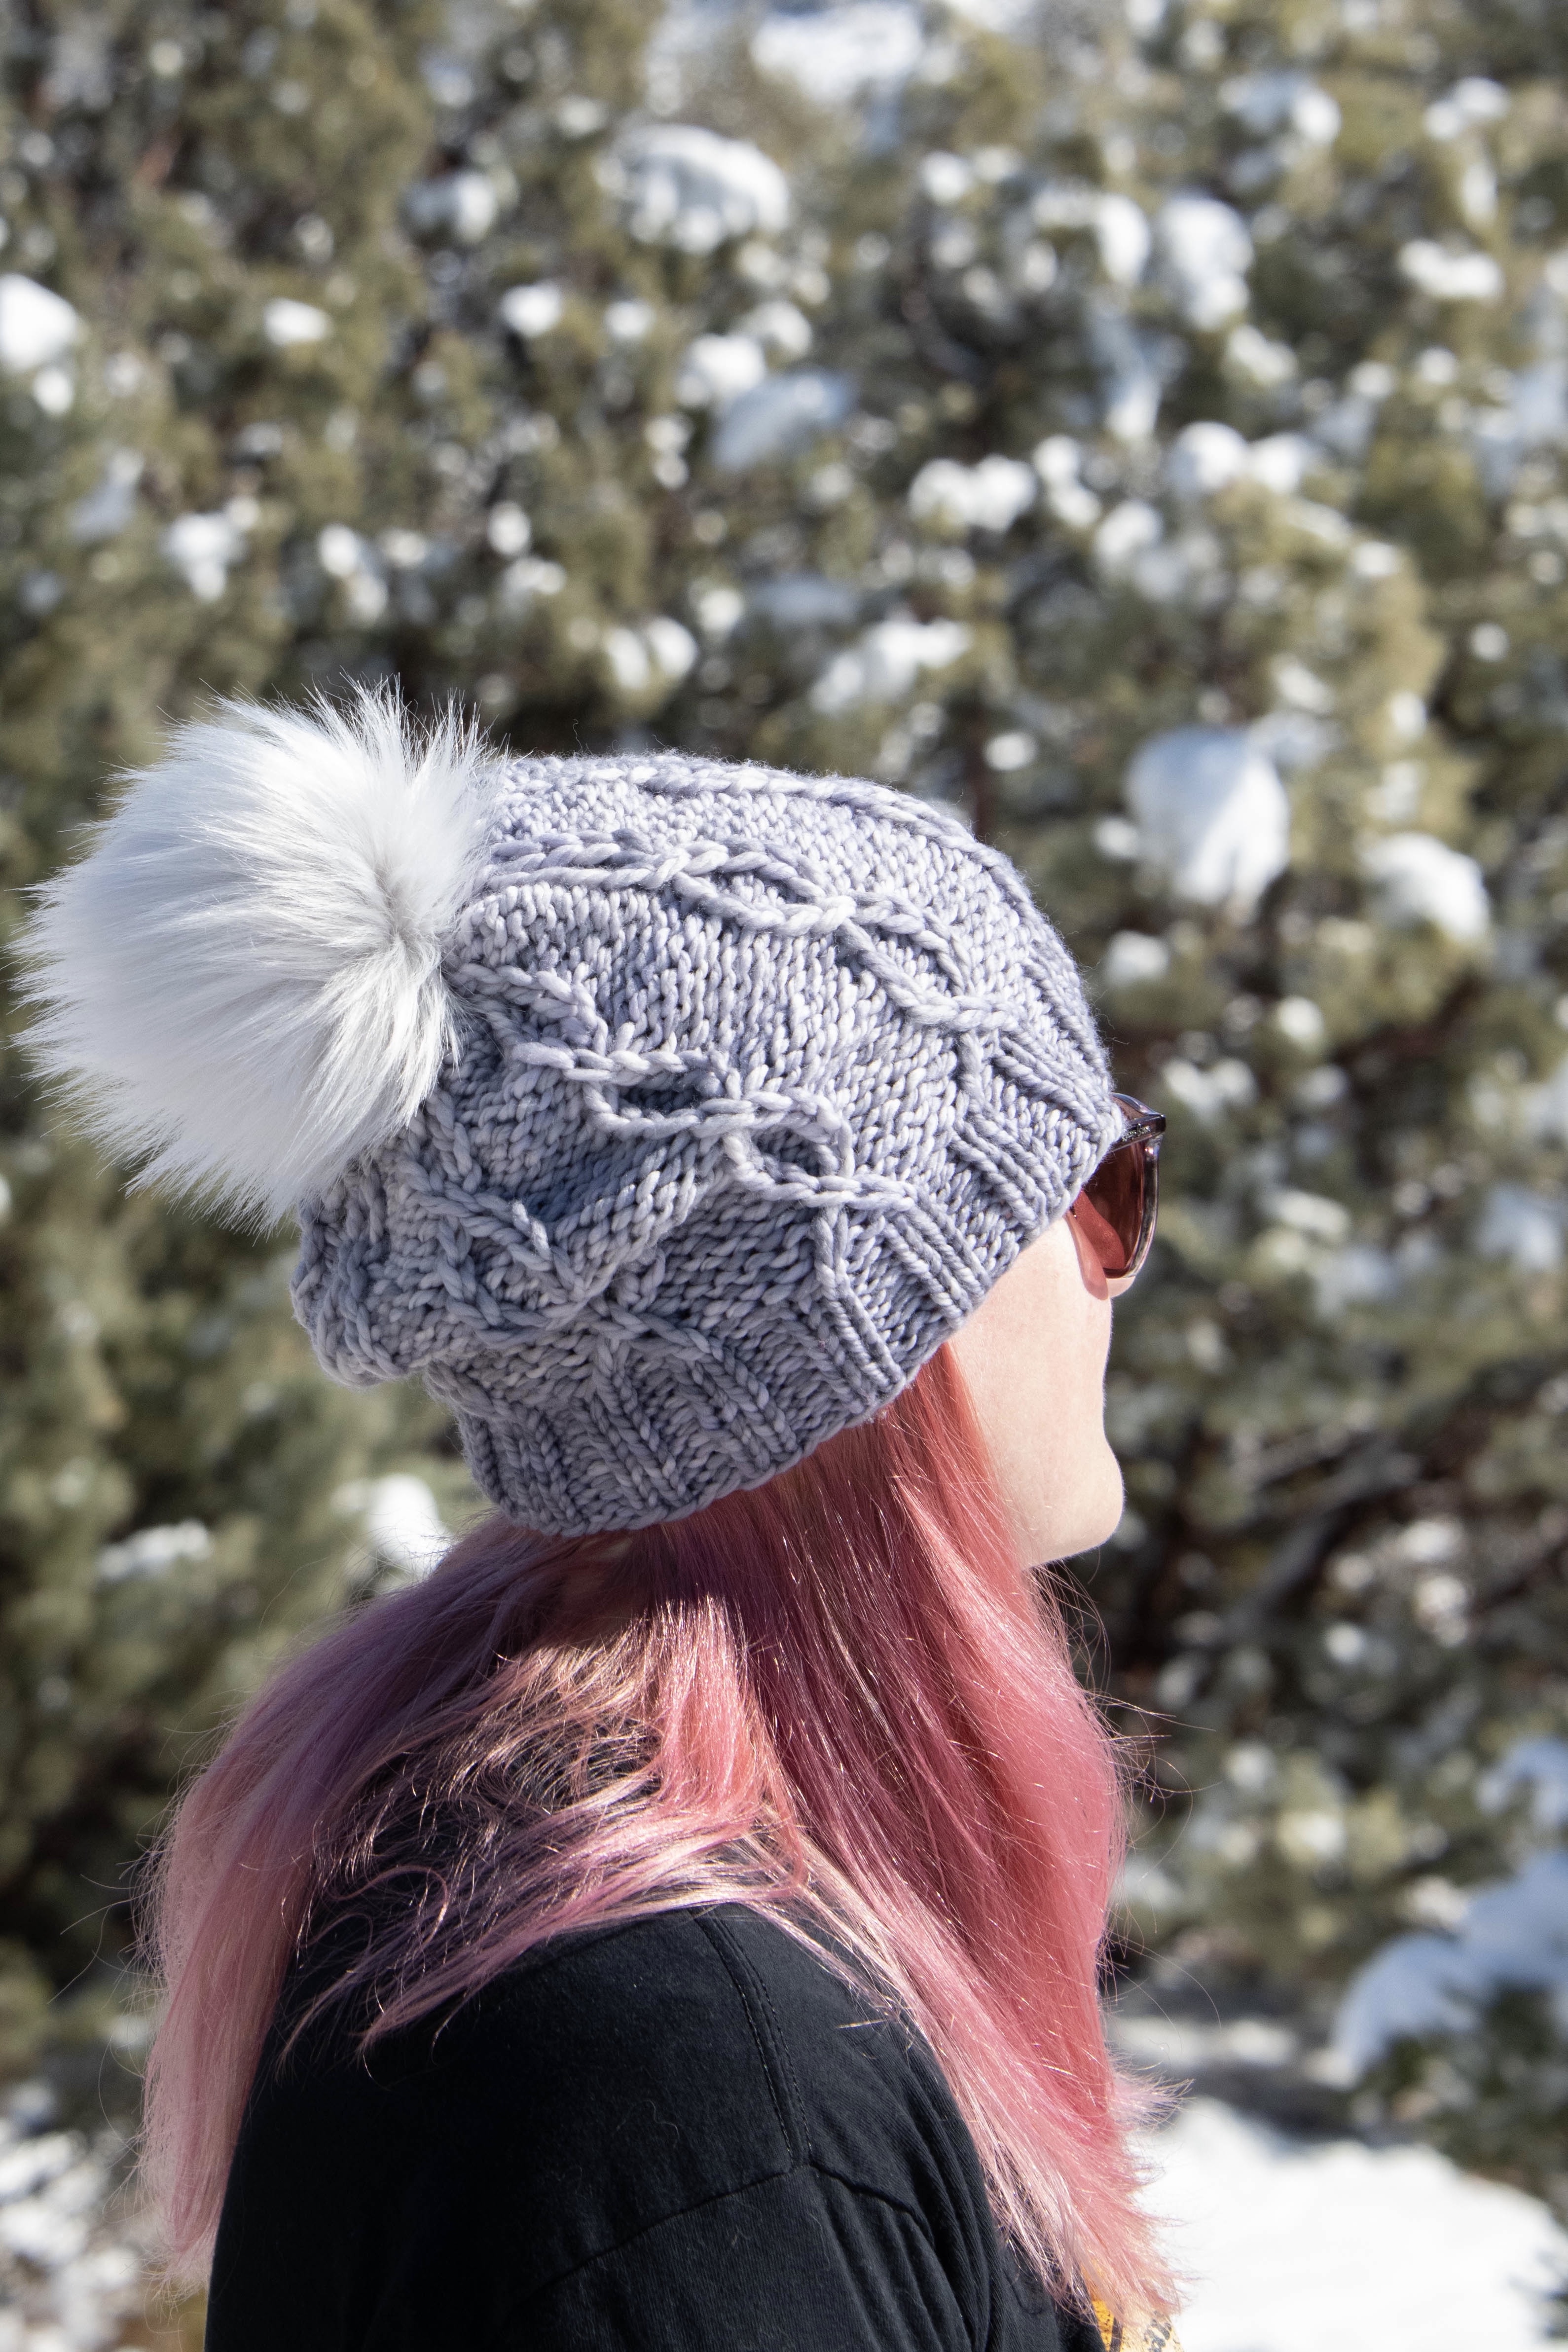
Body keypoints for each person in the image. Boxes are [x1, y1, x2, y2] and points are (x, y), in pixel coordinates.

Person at [25, 693, 1176, 2351]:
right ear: (852, 1332)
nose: (1115, 1266)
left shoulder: (559, 1919)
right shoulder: (691, 2088)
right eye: (1097, 1185)